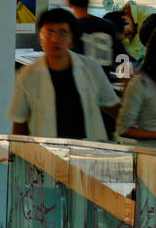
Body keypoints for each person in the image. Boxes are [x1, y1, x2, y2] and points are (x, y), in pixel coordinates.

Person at [8, 7, 119, 140]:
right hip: (46, 154)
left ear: (71, 38)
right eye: (49, 33)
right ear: (40, 37)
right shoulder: (27, 75)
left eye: (63, 33)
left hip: (87, 151)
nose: (55, 39)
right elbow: (19, 124)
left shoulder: (91, 68)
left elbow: (112, 105)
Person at [67, 0, 125, 78]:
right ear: (89, 1)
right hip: (104, 84)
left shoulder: (70, 29)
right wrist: (126, 80)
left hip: (81, 86)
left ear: (68, 3)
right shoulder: (108, 26)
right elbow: (123, 58)